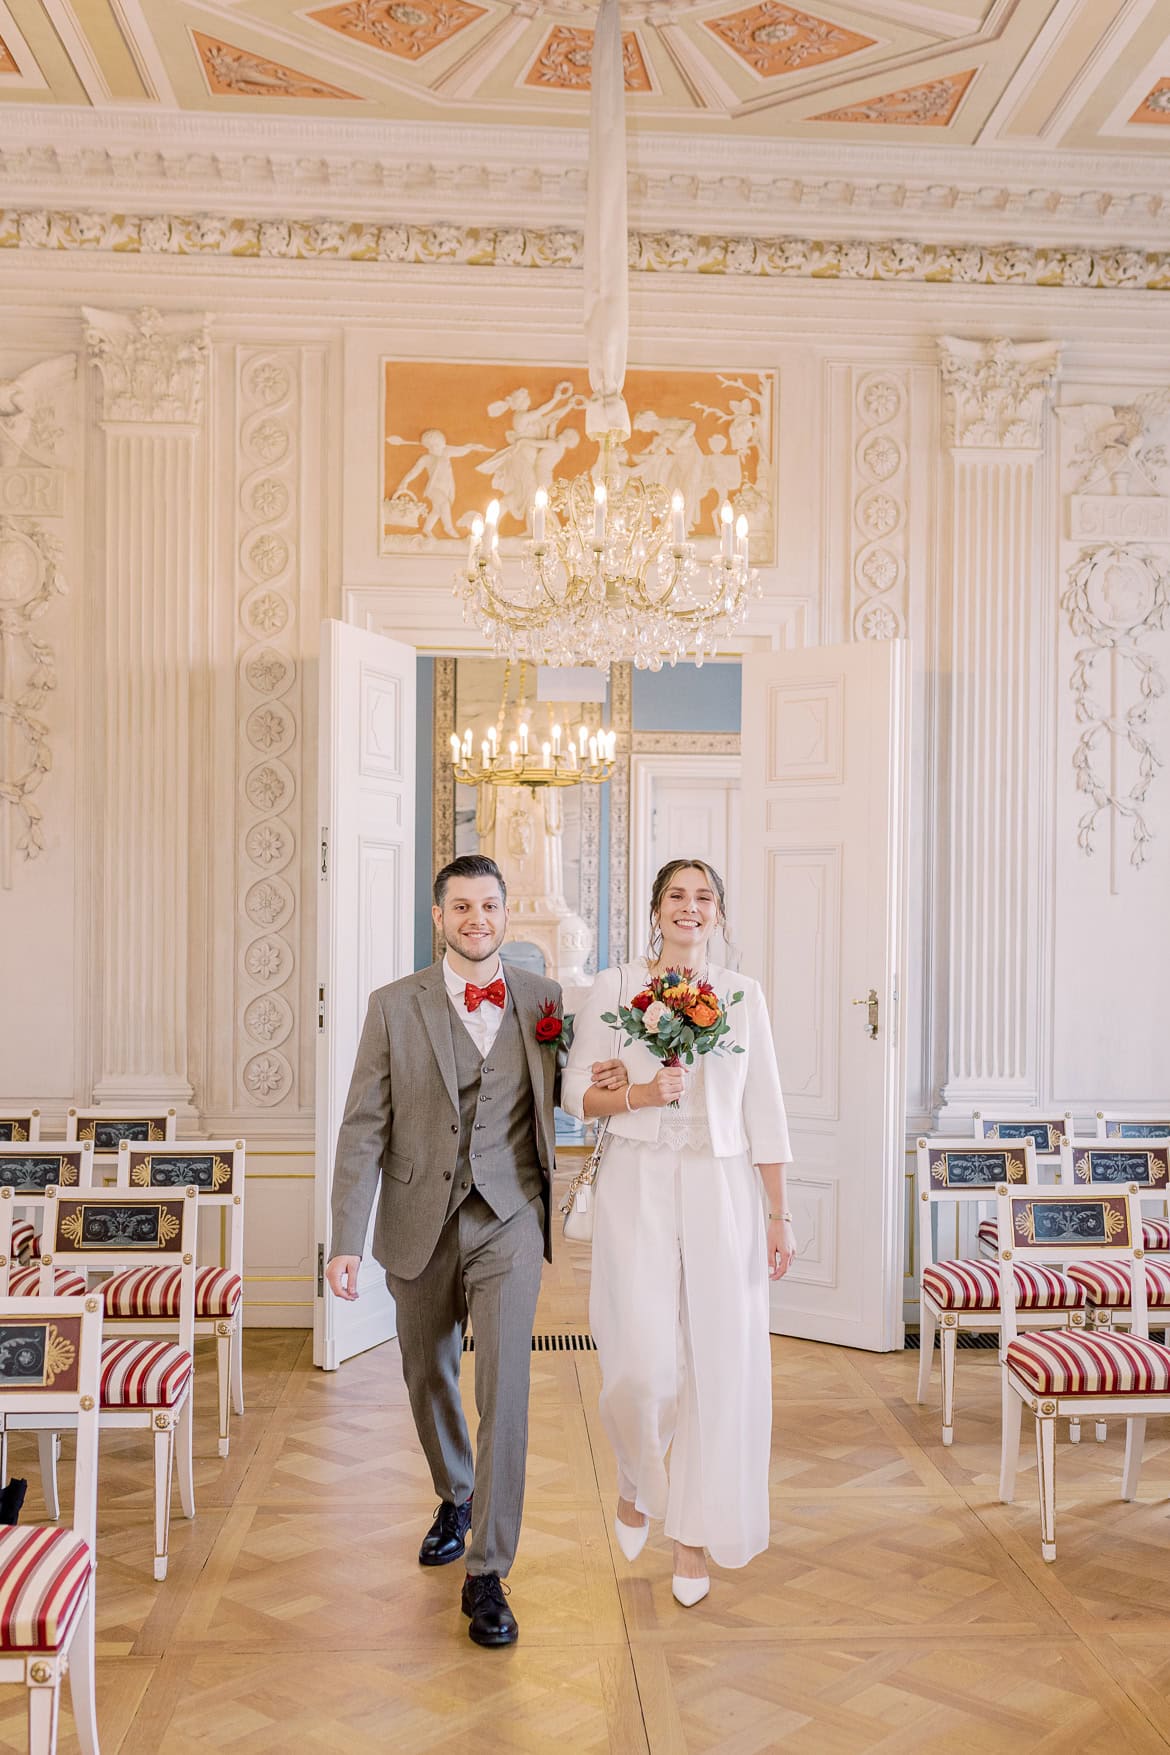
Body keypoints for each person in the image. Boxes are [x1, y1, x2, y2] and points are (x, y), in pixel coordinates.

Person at [324, 854, 562, 1649]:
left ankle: (488, 1569)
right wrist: (345, 1240)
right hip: (418, 1216)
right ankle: (453, 1494)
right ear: (439, 915)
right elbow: (363, 1125)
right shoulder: (393, 1005)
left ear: (504, 913)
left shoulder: (545, 1000)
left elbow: (587, 1088)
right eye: (461, 906)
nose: (477, 919)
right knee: (427, 1370)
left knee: (507, 1386)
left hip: (510, 1217)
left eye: (489, 905)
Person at [561, 858, 796, 1607]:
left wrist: (778, 1212)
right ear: (655, 910)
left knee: (717, 1365)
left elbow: (767, 1112)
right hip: (638, 1180)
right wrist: (633, 1090)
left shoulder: (743, 997)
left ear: (718, 914)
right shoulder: (614, 986)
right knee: (641, 1367)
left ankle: (691, 1536)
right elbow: (576, 1096)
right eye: (675, 897)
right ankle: (638, 1475)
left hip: (722, 1188)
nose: (689, 909)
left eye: (703, 898)